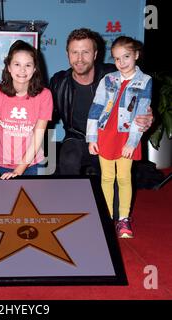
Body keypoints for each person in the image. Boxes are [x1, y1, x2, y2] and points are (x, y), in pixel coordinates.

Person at [49, 28, 153, 175]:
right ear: (67, 54)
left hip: (108, 136)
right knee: (68, 160)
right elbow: (45, 116)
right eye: (74, 52)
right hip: (76, 138)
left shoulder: (113, 76)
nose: (79, 58)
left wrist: (147, 116)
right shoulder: (59, 82)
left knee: (114, 185)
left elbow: (139, 98)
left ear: (95, 54)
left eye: (85, 52)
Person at [86, 36, 152, 238]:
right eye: (116, 58)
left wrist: (132, 142)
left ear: (136, 55)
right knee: (106, 177)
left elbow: (141, 115)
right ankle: (106, 218)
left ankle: (123, 219)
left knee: (123, 177)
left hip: (126, 137)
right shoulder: (108, 79)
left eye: (126, 57)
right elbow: (96, 108)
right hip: (105, 135)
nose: (121, 62)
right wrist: (92, 137)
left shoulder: (145, 81)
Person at [0, 40, 53, 180]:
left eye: (28, 65)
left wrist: (18, 171)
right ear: (8, 67)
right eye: (17, 64)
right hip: (0, 163)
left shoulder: (44, 95)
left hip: (32, 163)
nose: (22, 70)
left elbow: (37, 138)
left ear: (34, 69)